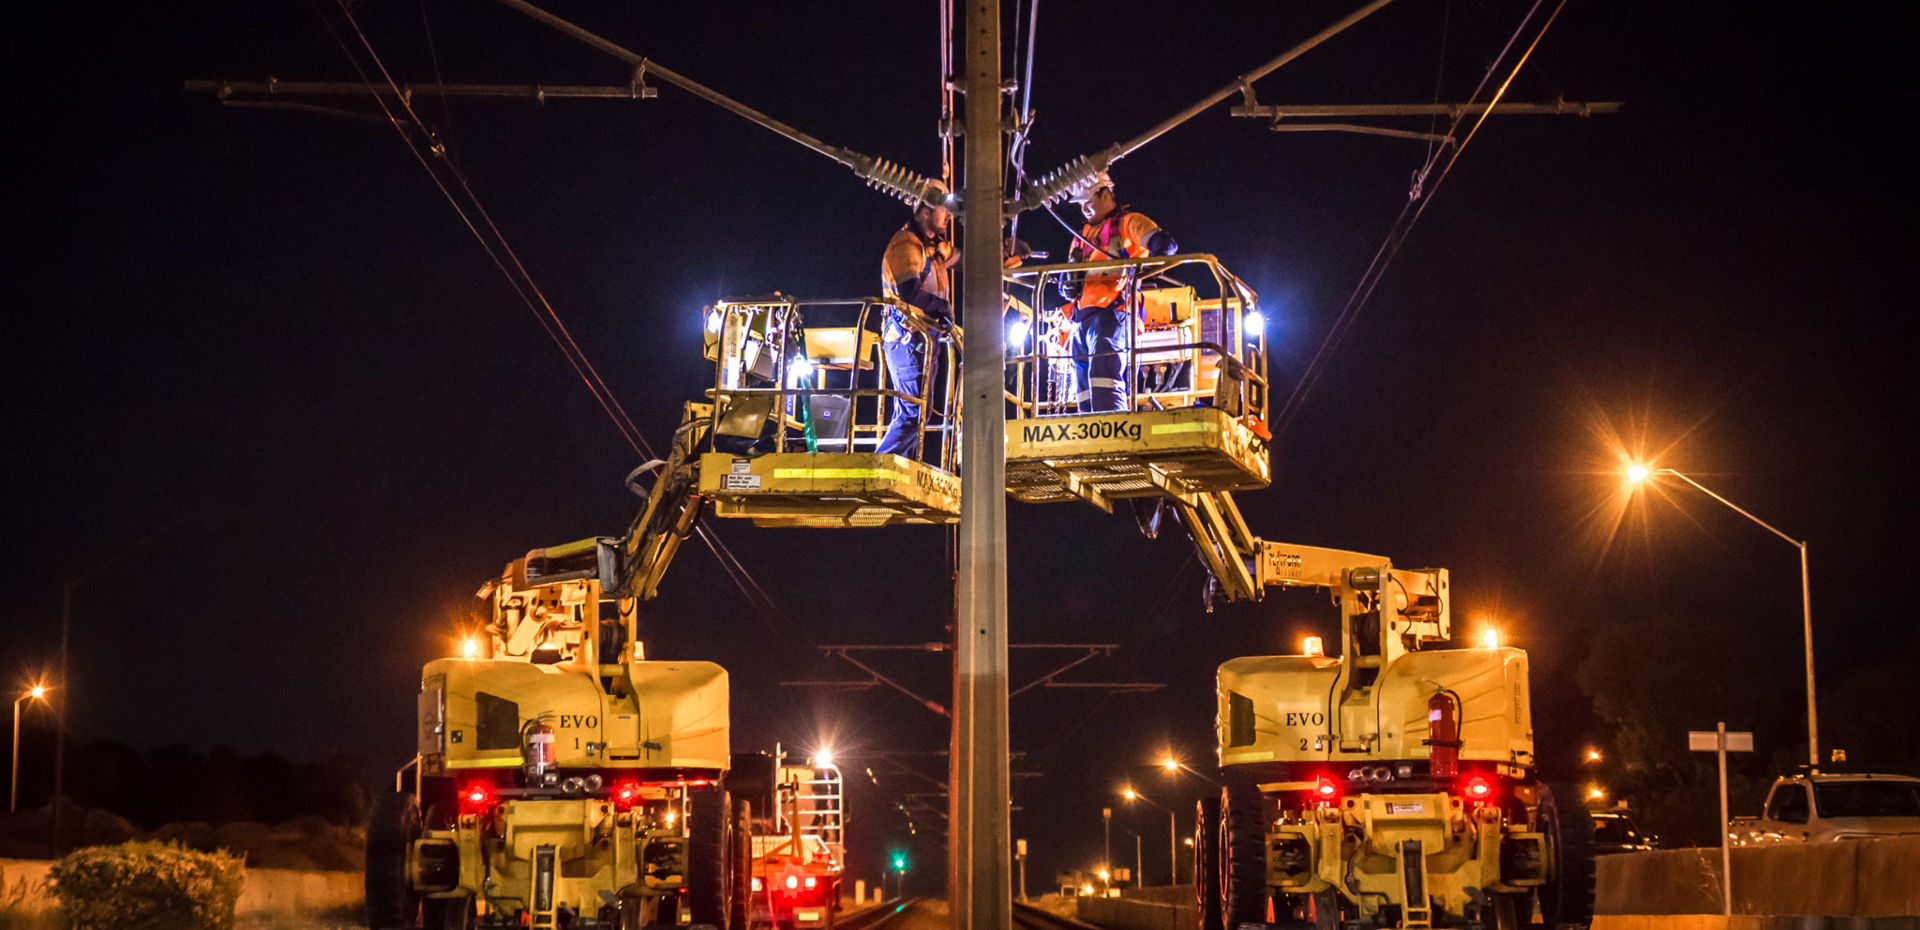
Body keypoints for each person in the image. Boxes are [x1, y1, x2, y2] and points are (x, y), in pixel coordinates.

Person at [1058, 172, 1178, 413]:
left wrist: (1154, 260)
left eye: (1087, 202)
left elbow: (1163, 243)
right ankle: (1087, 436)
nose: (1084, 209)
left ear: (1105, 194)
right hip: (1081, 321)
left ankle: (1113, 427)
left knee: (1104, 377)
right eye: (1080, 205)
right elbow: (1064, 280)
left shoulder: (1127, 223)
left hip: (1113, 315)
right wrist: (1066, 285)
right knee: (1084, 389)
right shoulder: (1081, 237)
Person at [876, 179, 957, 457]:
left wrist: (1004, 252)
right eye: (942, 210)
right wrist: (943, 307)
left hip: (922, 340)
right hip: (907, 339)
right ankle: (881, 468)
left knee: (918, 413)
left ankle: (895, 468)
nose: (948, 215)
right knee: (914, 413)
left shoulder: (930, 247)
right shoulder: (906, 244)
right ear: (924, 212)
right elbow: (909, 292)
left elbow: (960, 256)